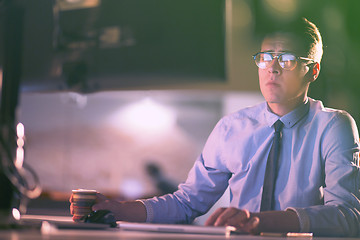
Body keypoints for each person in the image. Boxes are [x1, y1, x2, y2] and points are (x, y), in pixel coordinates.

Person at [70, 18, 360, 237]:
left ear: (313, 70)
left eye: (286, 59)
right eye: (265, 57)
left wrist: (258, 221)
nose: (272, 68)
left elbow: (348, 215)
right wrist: (120, 209)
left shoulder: (333, 126)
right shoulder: (232, 128)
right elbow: (188, 202)